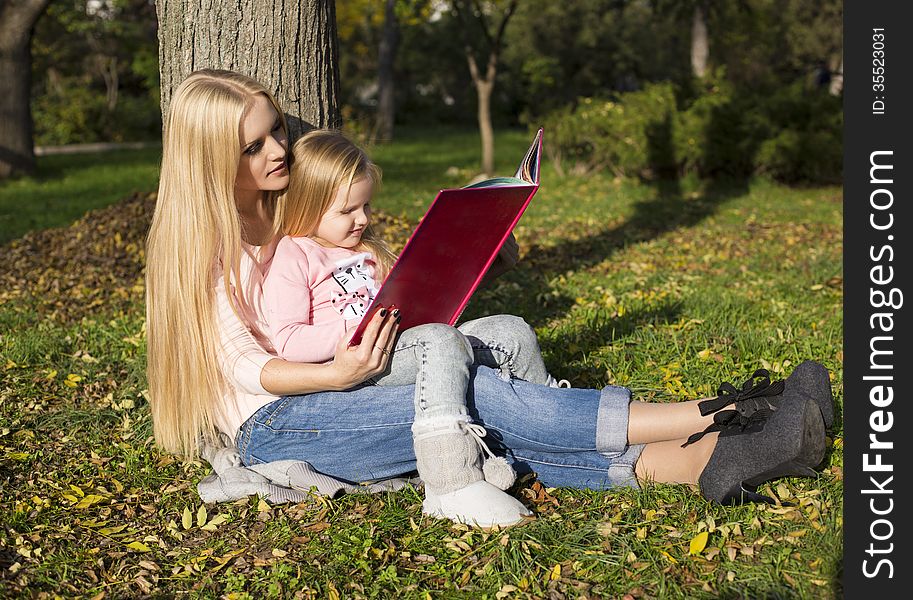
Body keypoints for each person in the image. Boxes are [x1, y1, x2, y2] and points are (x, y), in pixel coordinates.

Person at [145, 69, 833, 530]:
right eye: (252, 145)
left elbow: (375, 299)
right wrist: (333, 374)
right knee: (479, 398)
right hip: (280, 425)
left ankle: (707, 460)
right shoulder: (205, 247)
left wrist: (468, 255)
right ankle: (733, 410)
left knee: (476, 376)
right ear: (209, 159)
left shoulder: (293, 209)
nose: (278, 150)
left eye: (277, 132)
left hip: (339, 393)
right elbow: (241, 363)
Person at [259, 129, 571, 526]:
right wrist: (357, 326)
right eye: (346, 211)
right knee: (440, 341)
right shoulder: (295, 254)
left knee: (511, 330)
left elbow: (418, 309)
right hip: (364, 369)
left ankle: (554, 425)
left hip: (408, 347)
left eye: (366, 205)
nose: (362, 220)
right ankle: (450, 481)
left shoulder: (367, 250)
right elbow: (288, 340)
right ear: (305, 206)